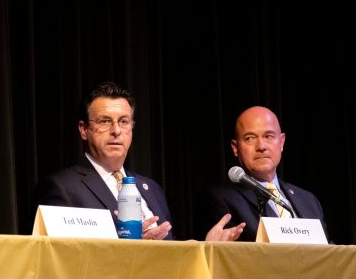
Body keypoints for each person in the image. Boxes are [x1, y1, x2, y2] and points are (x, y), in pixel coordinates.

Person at [33, 81, 244, 241]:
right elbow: (61, 258)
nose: (116, 131)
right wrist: (130, 245)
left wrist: (206, 249)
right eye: (105, 121)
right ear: (83, 130)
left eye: (123, 122)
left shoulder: (151, 188)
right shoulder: (62, 187)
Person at [200, 106, 327, 242]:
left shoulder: (308, 200)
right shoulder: (220, 199)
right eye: (249, 138)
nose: (261, 146)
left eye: (268, 136)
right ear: (235, 147)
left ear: (282, 142)